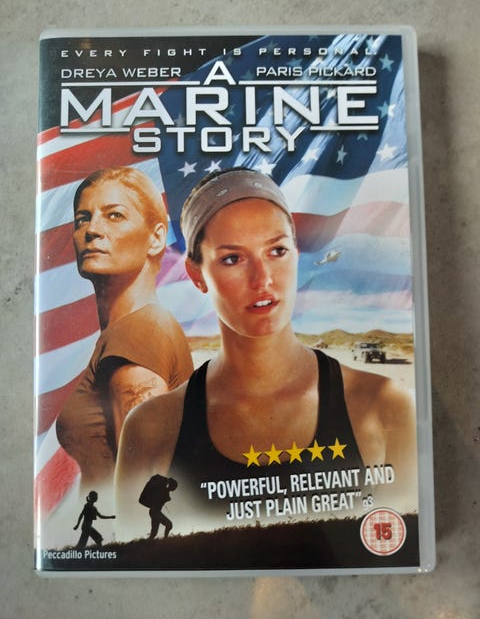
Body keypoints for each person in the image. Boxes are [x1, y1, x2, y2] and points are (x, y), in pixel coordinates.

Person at [114, 168, 417, 536]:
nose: (263, 279)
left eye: (277, 251)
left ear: (296, 254)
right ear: (196, 275)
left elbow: (401, 550)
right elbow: (134, 561)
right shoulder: (152, 428)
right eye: (232, 259)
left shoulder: (385, 407)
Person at [56, 167, 194, 496]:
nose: (92, 230)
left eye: (114, 215)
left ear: (156, 238)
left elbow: (143, 491)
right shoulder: (129, 330)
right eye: (82, 219)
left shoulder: (138, 333)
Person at [139, 475, 178, 539]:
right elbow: (160, 499)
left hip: (155, 512)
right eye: (174, 487)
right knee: (168, 525)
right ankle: (165, 540)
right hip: (155, 512)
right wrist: (166, 498)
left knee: (155, 532)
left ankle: (163, 539)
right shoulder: (163, 490)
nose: (174, 489)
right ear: (171, 486)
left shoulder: (164, 490)